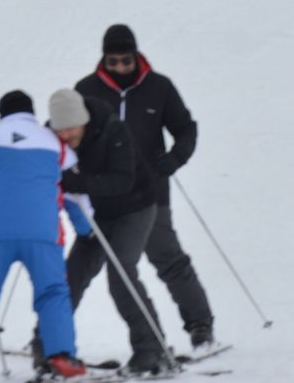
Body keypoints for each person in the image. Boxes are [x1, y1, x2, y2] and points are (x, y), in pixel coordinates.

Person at [76, 25, 216, 357]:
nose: (120, 67)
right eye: (113, 61)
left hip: (151, 192)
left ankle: (200, 325)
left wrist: (172, 160)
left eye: (126, 60)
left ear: (136, 56)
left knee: (167, 258)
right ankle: (50, 337)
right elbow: (72, 132)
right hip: (103, 196)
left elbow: (186, 128)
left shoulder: (159, 87)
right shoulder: (86, 89)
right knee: (83, 265)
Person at [0, 91, 92, 381]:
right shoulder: (56, 145)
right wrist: (87, 231)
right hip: (43, 233)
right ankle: (61, 355)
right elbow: (74, 196)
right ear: (32, 114)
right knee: (53, 294)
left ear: (1, 115)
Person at [49, 88, 173, 377]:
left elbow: (122, 181)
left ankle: (151, 351)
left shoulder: (112, 130)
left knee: (121, 272)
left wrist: (74, 183)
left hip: (134, 208)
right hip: (94, 216)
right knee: (71, 275)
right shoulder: (51, 136)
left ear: (83, 120)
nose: (66, 135)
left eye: (71, 128)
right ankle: (49, 348)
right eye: (60, 129)